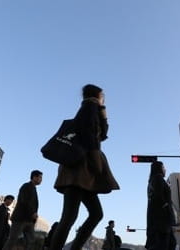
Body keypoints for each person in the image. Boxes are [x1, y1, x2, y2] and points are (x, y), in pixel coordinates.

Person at [49, 84, 120, 250]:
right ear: (98, 94)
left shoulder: (93, 108)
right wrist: (96, 161)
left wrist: (102, 108)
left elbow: (103, 133)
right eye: (103, 96)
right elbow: (91, 137)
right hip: (78, 169)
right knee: (70, 217)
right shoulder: (89, 107)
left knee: (94, 214)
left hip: (82, 172)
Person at [2, 170, 43, 250]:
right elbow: (24, 201)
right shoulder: (26, 186)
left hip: (29, 220)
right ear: (34, 177)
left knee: (30, 240)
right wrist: (32, 212)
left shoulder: (33, 188)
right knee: (13, 239)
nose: (41, 180)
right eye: (40, 177)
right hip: (20, 218)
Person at [145, 161, 176, 250]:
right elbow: (159, 196)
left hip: (157, 220)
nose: (165, 169)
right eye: (163, 167)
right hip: (162, 220)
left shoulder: (152, 181)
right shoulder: (158, 178)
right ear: (159, 169)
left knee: (169, 243)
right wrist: (166, 208)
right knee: (165, 244)